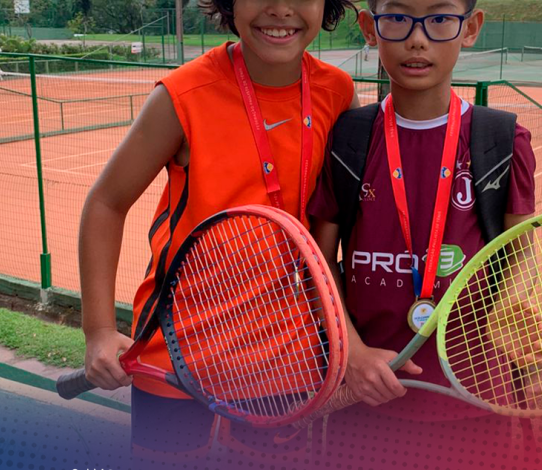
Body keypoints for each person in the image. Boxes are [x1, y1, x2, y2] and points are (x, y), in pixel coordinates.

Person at [77, 0, 358, 462]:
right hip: (174, 349)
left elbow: (340, 222)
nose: (280, 9)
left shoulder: (338, 91)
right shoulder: (183, 94)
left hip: (286, 357)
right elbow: (106, 203)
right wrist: (99, 331)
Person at [307, 0, 542, 466]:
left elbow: (520, 251)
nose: (417, 39)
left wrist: (512, 300)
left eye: (440, 19)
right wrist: (353, 354)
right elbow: (319, 265)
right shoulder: (347, 138)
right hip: (365, 400)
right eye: (398, 18)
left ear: (471, 28)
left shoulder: (502, 139)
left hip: (474, 400)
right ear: (369, 28)